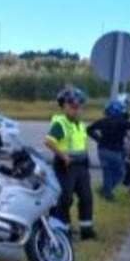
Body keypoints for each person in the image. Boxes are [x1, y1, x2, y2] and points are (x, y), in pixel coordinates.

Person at [45, 87, 96, 240]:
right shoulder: (61, 124)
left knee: (86, 198)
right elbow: (49, 142)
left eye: (79, 107)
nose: (77, 110)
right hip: (66, 166)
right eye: (73, 107)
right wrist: (63, 156)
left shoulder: (79, 124)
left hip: (81, 166)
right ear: (64, 107)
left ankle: (87, 231)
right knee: (65, 199)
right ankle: (63, 230)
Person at [88, 98, 130, 201]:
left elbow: (89, 129)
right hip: (115, 151)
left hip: (102, 150)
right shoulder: (122, 122)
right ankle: (107, 191)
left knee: (107, 172)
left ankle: (106, 191)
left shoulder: (102, 121)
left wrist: (98, 139)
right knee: (121, 173)